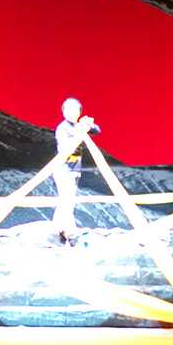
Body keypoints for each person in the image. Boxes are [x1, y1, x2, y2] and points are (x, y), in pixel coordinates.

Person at [52, 97, 99, 244]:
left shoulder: (78, 127)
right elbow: (66, 147)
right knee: (67, 201)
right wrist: (79, 131)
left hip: (74, 170)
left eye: (75, 110)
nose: (72, 113)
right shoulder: (63, 128)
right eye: (69, 110)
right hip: (63, 169)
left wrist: (88, 124)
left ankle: (59, 230)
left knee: (67, 201)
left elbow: (97, 130)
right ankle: (69, 233)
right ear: (64, 112)